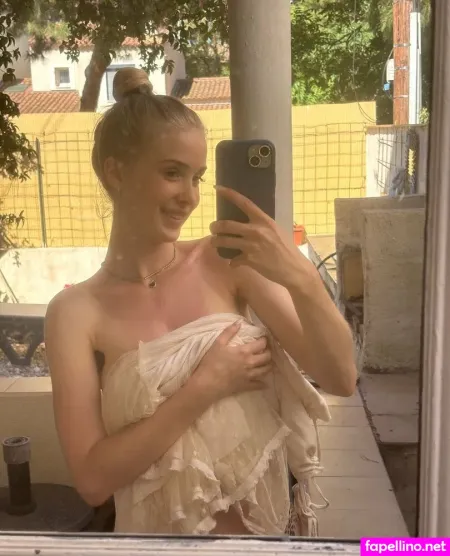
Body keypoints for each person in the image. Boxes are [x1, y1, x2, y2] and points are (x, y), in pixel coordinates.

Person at [45, 67, 357, 536]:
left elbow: (341, 377)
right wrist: (204, 387)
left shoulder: (226, 261)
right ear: (116, 172)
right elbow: (92, 480)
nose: (190, 197)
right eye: (173, 173)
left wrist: (302, 278)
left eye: (198, 177)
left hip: (262, 543)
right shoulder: (74, 313)